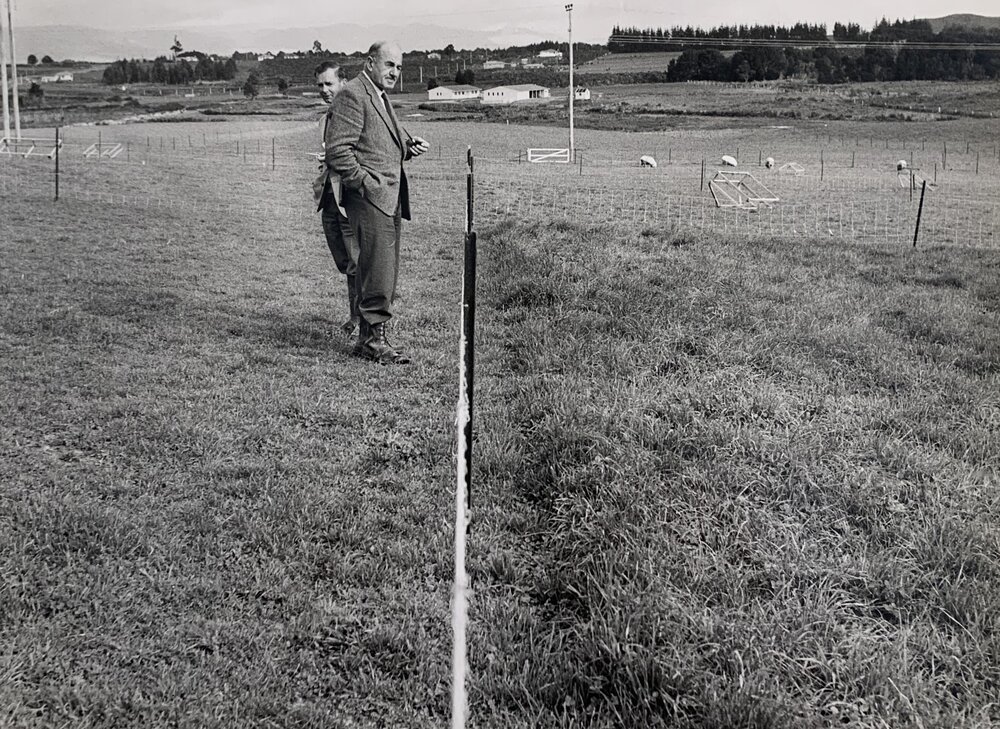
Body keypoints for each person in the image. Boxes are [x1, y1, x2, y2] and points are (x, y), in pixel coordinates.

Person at [327, 41, 429, 364]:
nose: (395, 73)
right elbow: (338, 151)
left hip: (389, 196)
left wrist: (406, 146)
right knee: (377, 269)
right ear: (371, 62)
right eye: (389, 65)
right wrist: (365, 184)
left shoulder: (380, 97)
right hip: (371, 198)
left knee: (383, 270)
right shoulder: (353, 94)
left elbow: (380, 139)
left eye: (399, 67)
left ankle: (369, 339)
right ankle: (372, 341)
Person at [313, 61, 360, 336]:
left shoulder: (354, 116)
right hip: (329, 199)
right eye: (320, 85)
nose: (324, 90)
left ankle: (361, 319)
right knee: (344, 262)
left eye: (329, 84)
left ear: (343, 83)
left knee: (356, 262)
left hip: (350, 199)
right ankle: (357, 313)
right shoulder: (323, 120)